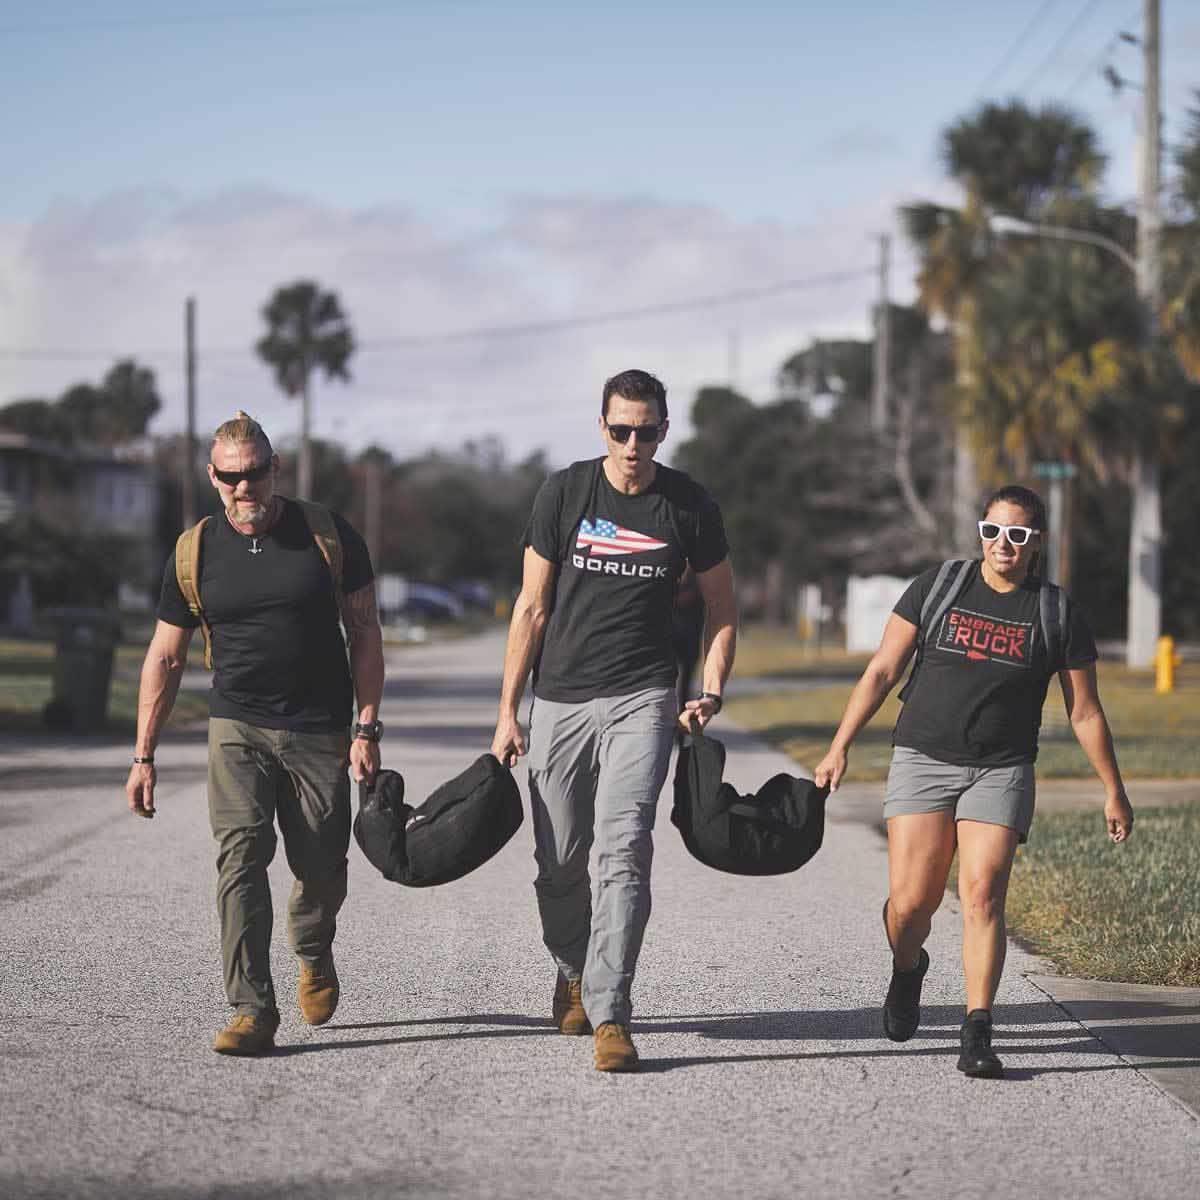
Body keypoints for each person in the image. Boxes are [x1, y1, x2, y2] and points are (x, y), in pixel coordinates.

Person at [814, 484, 1133, 1079]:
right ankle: (907, 969)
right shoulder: (940, 586)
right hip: (923, 758)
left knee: (983, 894)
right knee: (913, 904)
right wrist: (840, 745)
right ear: (980, 533)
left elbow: (1085, 711)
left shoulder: (1056, 611)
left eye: (1017, 534)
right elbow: (883, 669)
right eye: (992, 531)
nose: (1002, 544)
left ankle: (977, 1028)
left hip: (1003, 767)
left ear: (1036, 542)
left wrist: (1112, 787)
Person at [491, 368, 737, 1073]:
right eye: (621, 430)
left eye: (647, 431)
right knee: (559, 863)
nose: (634, 444)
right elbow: (531, 607)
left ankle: (610, 1011)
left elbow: (723, 610)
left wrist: (710, 690)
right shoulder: (565, 493)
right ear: (603, 428)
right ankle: (572, 967)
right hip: (561, 697)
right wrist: (507, 711)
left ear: (665, 431)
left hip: (645, 696)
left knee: (624, 848)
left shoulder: (687, 506)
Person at [124, 412, 385, 1057]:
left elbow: (366, 633)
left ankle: (312, 945)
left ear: (276, 470)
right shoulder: (195, 551)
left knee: (321, 867)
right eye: (231, 478)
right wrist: (143, 755)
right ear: (213, 478)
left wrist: (366, 726)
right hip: (236, 725)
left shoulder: (328, 534)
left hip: (320, 727)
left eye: (256, 475)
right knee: (240, 859)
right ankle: (250, 1009)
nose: (246, 490)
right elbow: (165, 657)